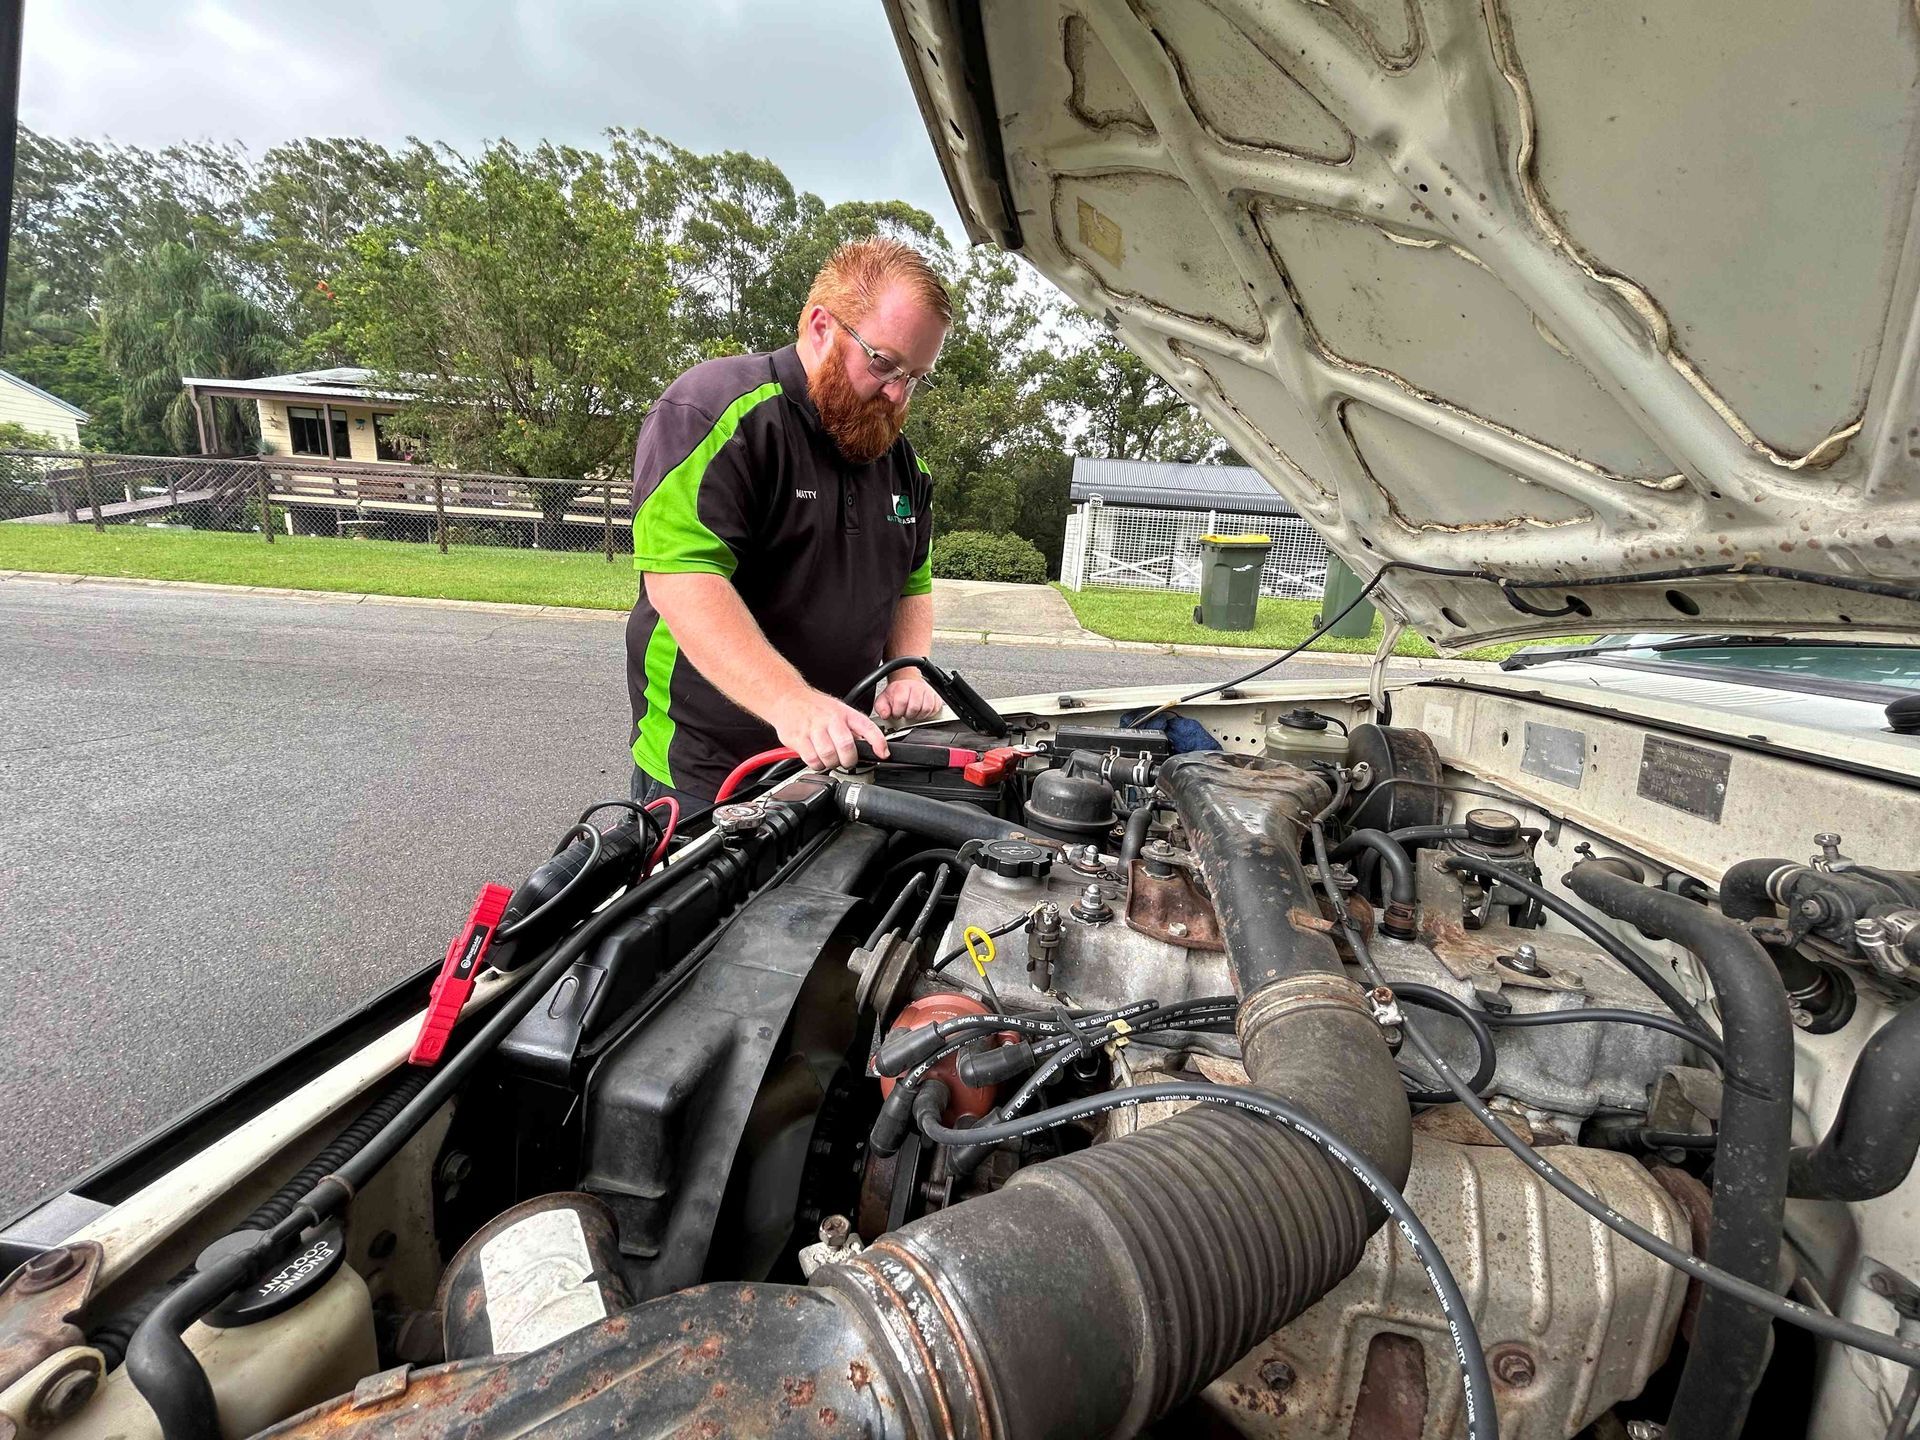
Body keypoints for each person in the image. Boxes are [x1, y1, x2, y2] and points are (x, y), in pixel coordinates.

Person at [625, 237, 952, 809]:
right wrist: (792, 702)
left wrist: (907, 674)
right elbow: (683, 580)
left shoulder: (905, 466)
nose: (898, 394)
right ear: (821, 325)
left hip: (834, 767)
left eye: (915, 376)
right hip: (707, 774)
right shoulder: (715, 412)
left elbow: (912, 584)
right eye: (883, 363)